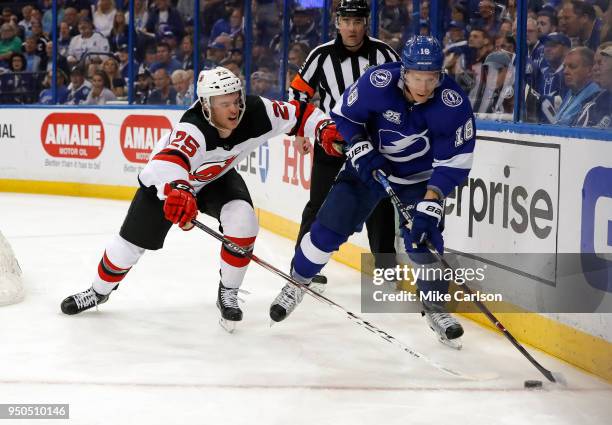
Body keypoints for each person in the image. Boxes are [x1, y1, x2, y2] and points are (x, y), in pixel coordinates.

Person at [60, 67, 342, 333]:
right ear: (207, 106)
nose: (234, 109)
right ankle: (98, 291)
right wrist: (180, 191)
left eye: (236, 100)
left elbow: (301, 113)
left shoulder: (257, 111)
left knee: (243, 221)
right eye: (224, 104)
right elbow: (170, 161)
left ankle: (228, 293)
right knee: (127, 248)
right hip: (167, 184)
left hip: (215, 179)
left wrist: (324, 129)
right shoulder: (192, 128)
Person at [270, 36, 476, 349]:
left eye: (430, 78)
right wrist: (360, 145)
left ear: (440, 75)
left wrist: (431, 202)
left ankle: (435, 309)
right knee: (325, 230)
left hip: (420, 180)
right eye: (417, 78)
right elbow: (343, 115)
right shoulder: (377, 83)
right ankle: (297, 281)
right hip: (368, 169)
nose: (423, 87)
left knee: (426, 243)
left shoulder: (453, 104)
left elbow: (455, 163)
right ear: (404, 72)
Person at [287, 0, 400, 289]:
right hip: (331, 143)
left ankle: (385, 268)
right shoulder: (320, 55)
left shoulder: (384, 53)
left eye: (357, 21)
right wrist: (300, 131)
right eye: (346, 21)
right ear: (337, 22)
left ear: (366, 23)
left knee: (381, 204)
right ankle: (302, 264)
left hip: (373, 145)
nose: (351, 28)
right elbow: (299, 94)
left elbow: (403, 93)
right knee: (319, 202)